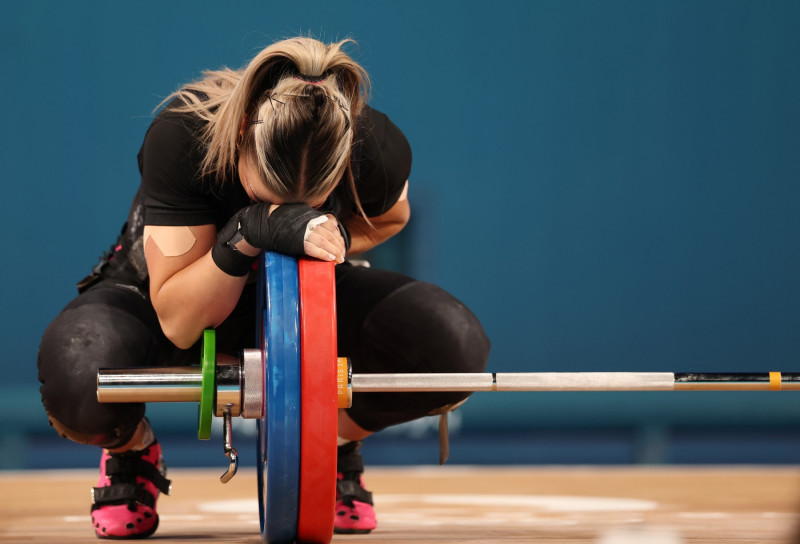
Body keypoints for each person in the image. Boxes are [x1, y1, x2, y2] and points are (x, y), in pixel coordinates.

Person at [37, 37, 490, 539]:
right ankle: (131, 453)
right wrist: (251, 231)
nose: (289, 207)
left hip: (296, 294)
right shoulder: (185, 133)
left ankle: (332, 444)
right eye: (267, 195)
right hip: (170, 294)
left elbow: (392, 216)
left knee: (452, 343)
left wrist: (321, 244)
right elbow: (182, 324)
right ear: (241, 147)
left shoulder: (371, 143)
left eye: (309, 202)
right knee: (77, 376)